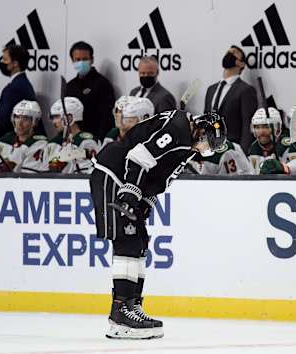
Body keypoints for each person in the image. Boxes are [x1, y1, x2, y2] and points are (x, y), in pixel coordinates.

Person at [89, 110, 227, 339]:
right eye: (207, 142)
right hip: (113, 174)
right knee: (127, 241)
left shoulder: (187, 147)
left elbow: (162, 178)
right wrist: (131, 192)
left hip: (129, 179)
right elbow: (139, 156)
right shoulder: (177, 128)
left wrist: (147, 200)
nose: (205, 149)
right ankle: (120, 313)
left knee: (140, 242)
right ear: (201, 130)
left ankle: (132, 306)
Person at [204, 45, 258, 153]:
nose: (229, 53)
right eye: (227, 52)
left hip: (232, 151)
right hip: (211, 150)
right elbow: (205, 120)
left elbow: (248, 125)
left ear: (241, 64)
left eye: (234, 53)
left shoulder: (246, 90)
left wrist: (242, 153)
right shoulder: (211, 89)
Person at [66, 41, 115, 140]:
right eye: (78, 59)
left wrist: (99, 142)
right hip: (73, 140)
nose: (81, 62)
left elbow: (106, 118)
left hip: (94, 140)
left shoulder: (102, 84)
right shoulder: (70, 86)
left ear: (92, 60)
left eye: (85, 59)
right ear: (72, 60)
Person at [0, 45, 36, 144]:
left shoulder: (14, 88)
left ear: (15, 63)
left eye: (5, 59)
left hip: (8, 144)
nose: (2, 62)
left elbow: (2, 121)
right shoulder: (23, 83)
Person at [43, 97, 99, 174]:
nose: (54, 122)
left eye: (56, 117)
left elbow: (86, 175)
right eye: (53, 118)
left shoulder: (86, 142)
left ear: (69, 118)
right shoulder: (53, 143)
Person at [0, 100, 47, 173]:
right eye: (17, 117)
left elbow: (29, 177)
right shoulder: (4, 140)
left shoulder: (40, 145)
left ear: (35, 122)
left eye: (25, 118)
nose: (19, 123)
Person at [248, 107, 289, 174]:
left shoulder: (286, 147)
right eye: (257, 127)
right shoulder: (253, 148)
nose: (261, 131)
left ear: (278, 128)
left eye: (266, 127)